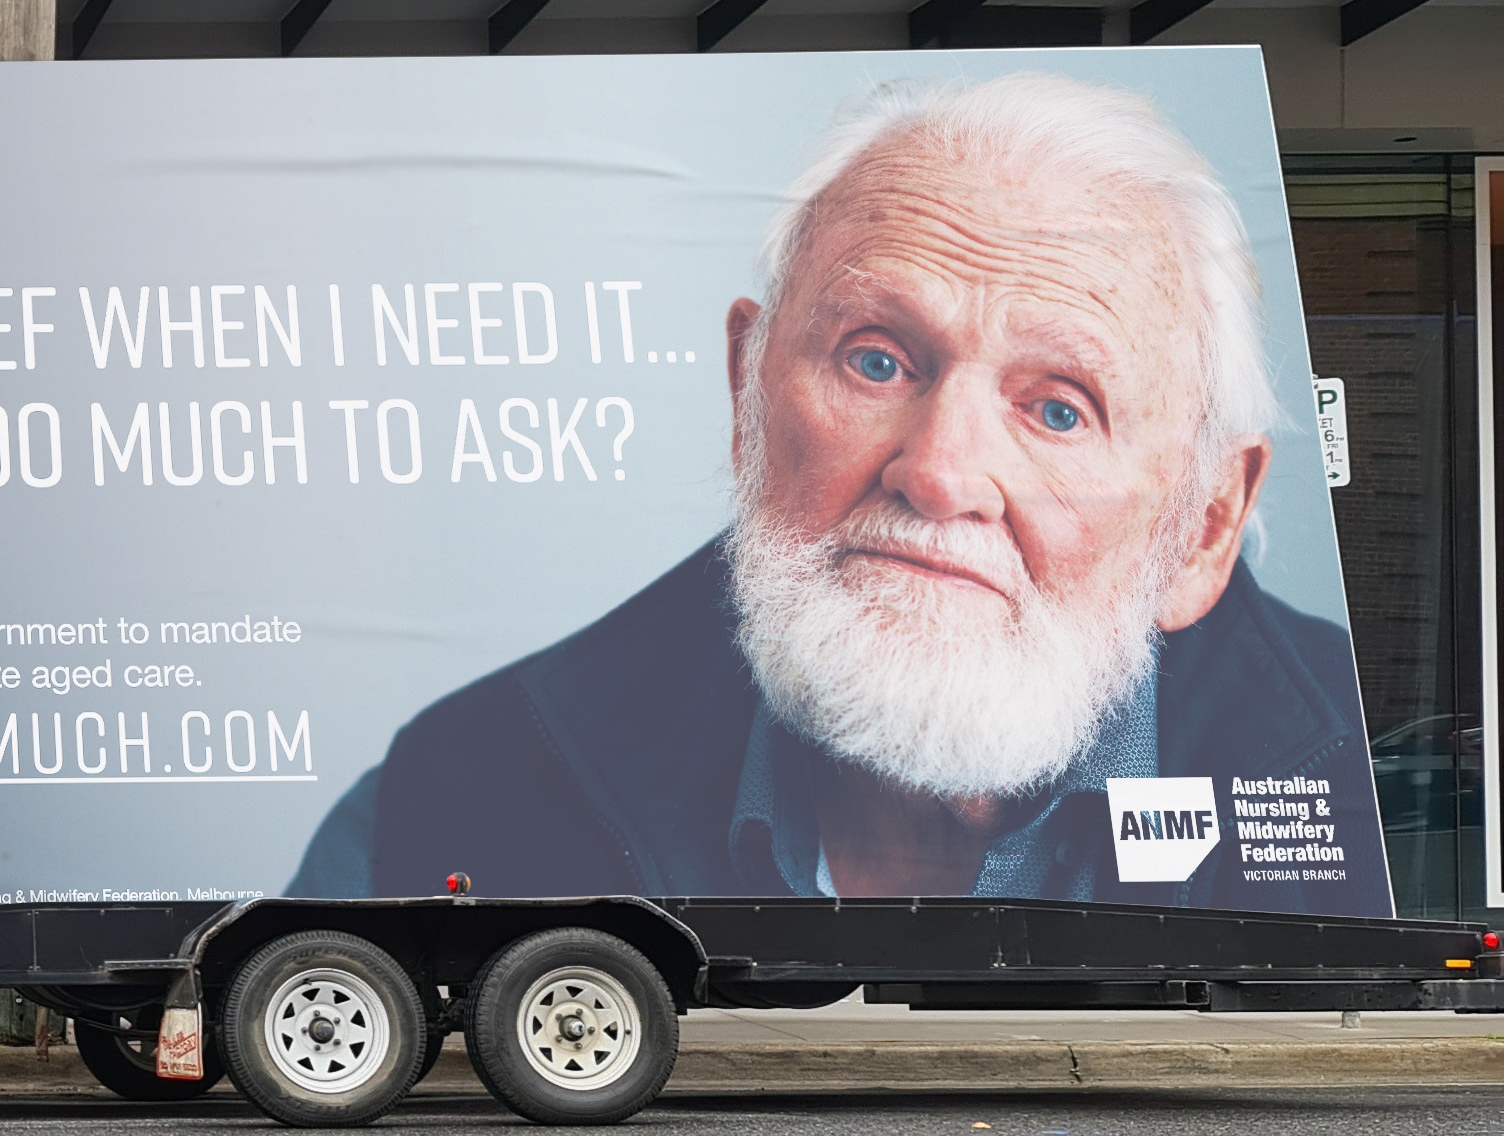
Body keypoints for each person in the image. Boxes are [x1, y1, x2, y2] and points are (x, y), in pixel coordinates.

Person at [289, 73, 1390, 915]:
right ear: (745, 393)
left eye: (1058, 408)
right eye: (876, 360)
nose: (941, 473)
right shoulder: (449, 794)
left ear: (1202, 529)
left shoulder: (1367, 771)